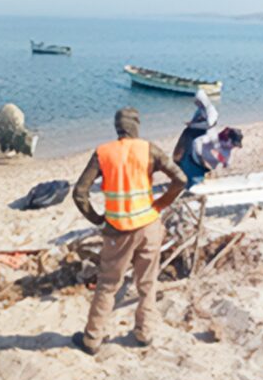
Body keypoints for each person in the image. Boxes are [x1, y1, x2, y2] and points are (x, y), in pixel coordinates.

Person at [71, 107, 186, 355]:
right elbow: (181, 180)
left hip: (118, 231)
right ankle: (144, 333)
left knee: (108, 285)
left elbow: (79, 193)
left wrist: (98, 220)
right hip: (148, 226)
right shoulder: (149, 149)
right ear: (137, 125)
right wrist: (160, 204)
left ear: (117, 127)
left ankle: (92, 339)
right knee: (147, 282)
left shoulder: (103, 153)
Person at [172, 90, 218, 164]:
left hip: (207, 130)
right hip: (199, 128)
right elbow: (195, 119)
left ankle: (192, 158)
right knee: (186, 132)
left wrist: (194, 125)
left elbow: (209, 124)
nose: (196, 104)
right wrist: (191, 123)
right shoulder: (200, 110)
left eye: (197, 102)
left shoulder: (211, 110)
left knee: (193, 140)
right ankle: (181, 155)